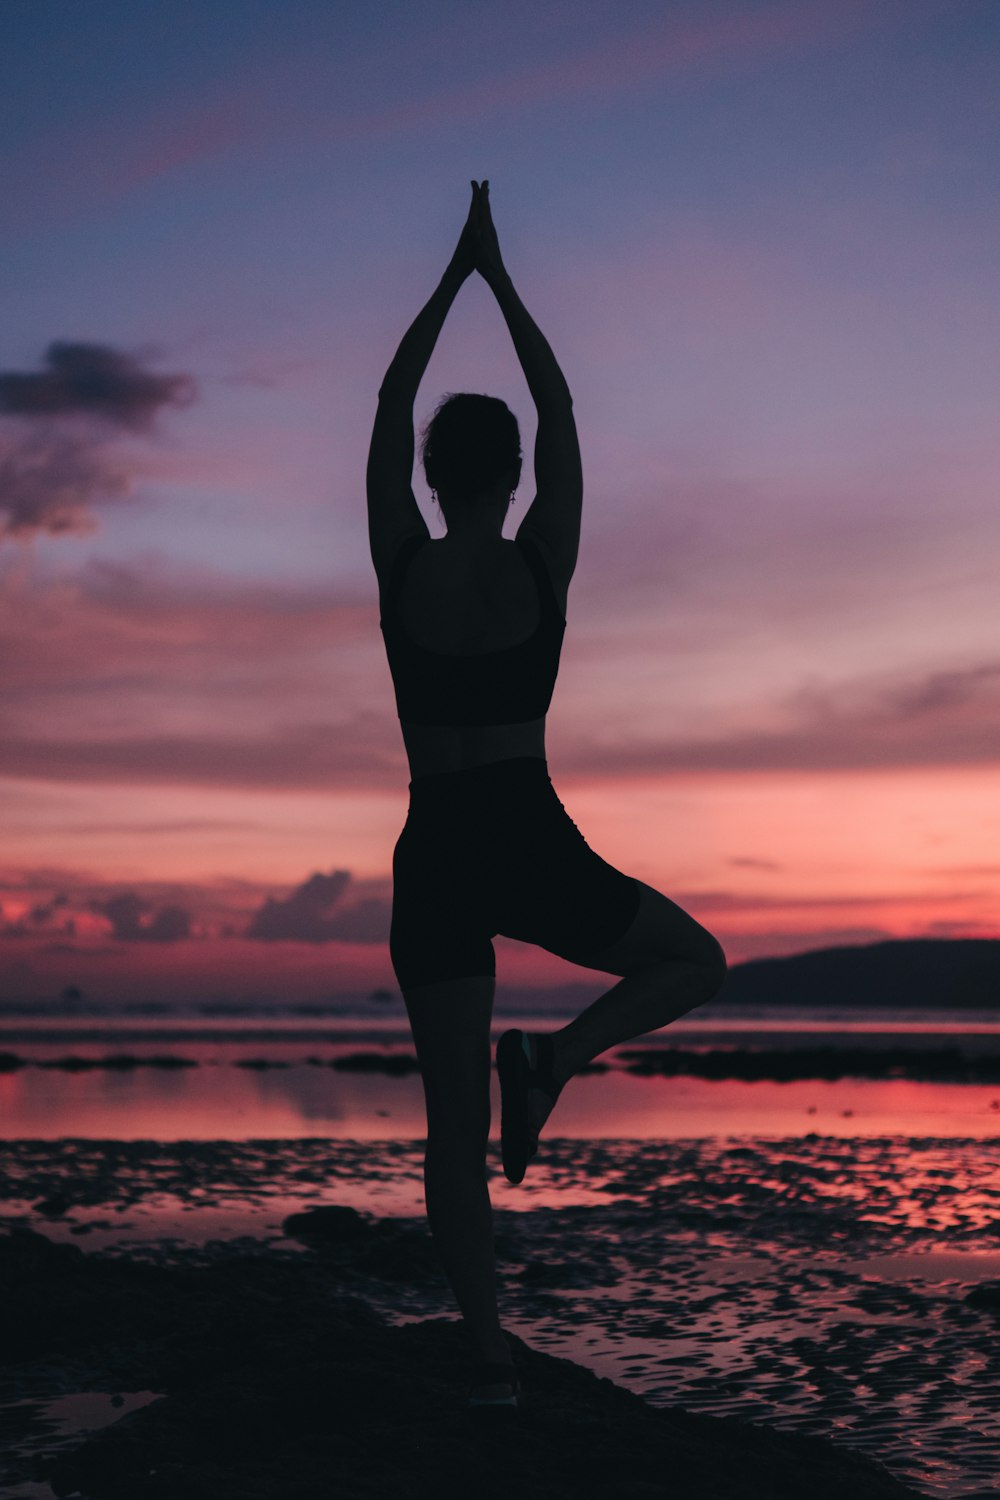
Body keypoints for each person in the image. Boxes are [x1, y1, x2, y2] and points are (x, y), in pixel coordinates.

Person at [367, 181, 727, 1410]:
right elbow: (559, 402)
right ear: (514, 472)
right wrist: (499, 276)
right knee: (693, 961)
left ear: (426, 469)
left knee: (448, 1129)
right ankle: (558, 1056)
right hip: (525, 828)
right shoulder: (539, 558)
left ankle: (485, 1353)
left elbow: (388, 399)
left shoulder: (401, 560)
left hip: (437, 843)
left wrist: (449, 279)